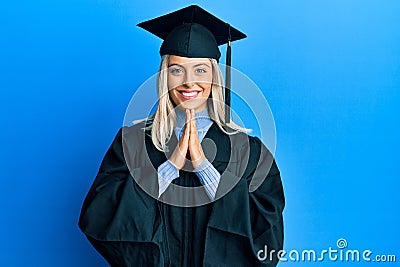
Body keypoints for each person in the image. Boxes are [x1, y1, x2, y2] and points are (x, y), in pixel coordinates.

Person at [78, 5, 285, 267]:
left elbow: (268, 234)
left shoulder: (248, 150)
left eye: (200, 70)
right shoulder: (131, 143)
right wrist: (169, 167)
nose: (189, 82)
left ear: (215, 77)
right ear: (165, 76)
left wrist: (204, 168)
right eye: (177, 70)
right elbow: (99, 219)